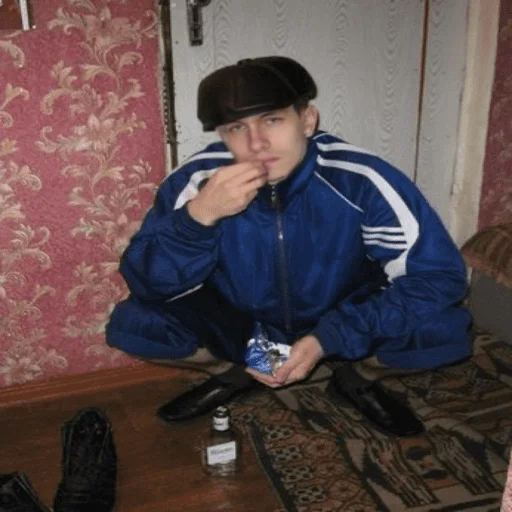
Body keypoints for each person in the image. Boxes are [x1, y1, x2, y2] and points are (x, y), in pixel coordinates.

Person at [106, 56, 472, 437]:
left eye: (272, 120)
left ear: (307, 120)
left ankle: (357, 378)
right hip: (244, 325)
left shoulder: (362, 179)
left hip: (340, 315)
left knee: (445, 329)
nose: (256, 143)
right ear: (223, 135)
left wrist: (331, 337)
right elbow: (146, 281)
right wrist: (199, 217)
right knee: (134, 325)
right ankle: (234, 373)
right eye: (237, 127)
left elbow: (439, 277)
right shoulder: (200, 180)